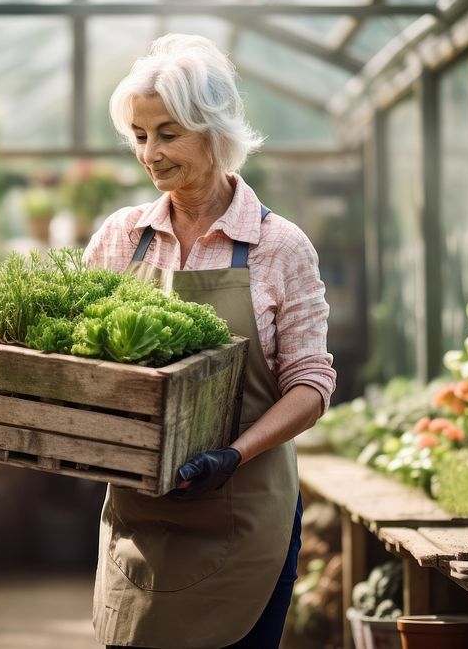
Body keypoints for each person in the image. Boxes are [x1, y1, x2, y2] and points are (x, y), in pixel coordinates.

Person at [83, 34, 337, 649]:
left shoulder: (280, 246)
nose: (151, 154)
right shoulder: (122, 237)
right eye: (141, 136)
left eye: (168, 133)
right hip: (141, 516)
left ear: (214, 131)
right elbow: (75, 356)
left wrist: (232, 455)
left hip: (242, 511)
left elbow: (311, 385)